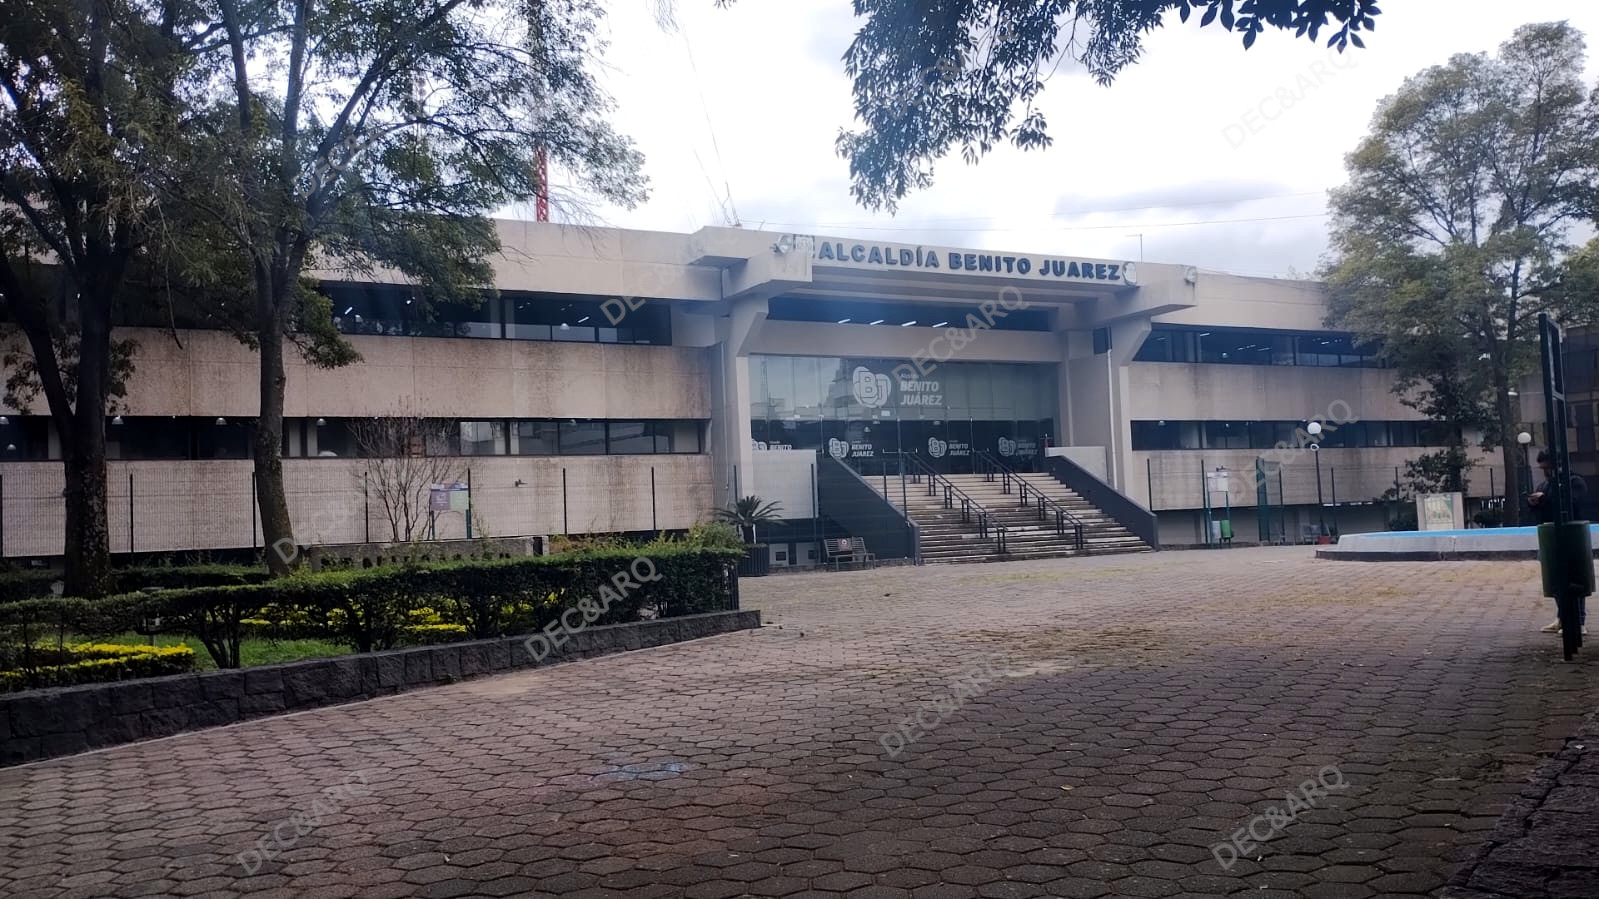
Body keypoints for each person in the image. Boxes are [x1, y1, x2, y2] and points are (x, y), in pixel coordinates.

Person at [1527, 450, 1589, 635]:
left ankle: (1578, 620)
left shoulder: (1574, 482)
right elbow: (1542, 511)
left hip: (1571, 536)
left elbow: (1572, 502)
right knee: (1554, 579)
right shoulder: (1546, 485)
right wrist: (1534, 503)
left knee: (1575, 579)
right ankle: (1563, 617)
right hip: (1550, 535)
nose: (1544, 472)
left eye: (1546, 467)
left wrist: (1544, 500)